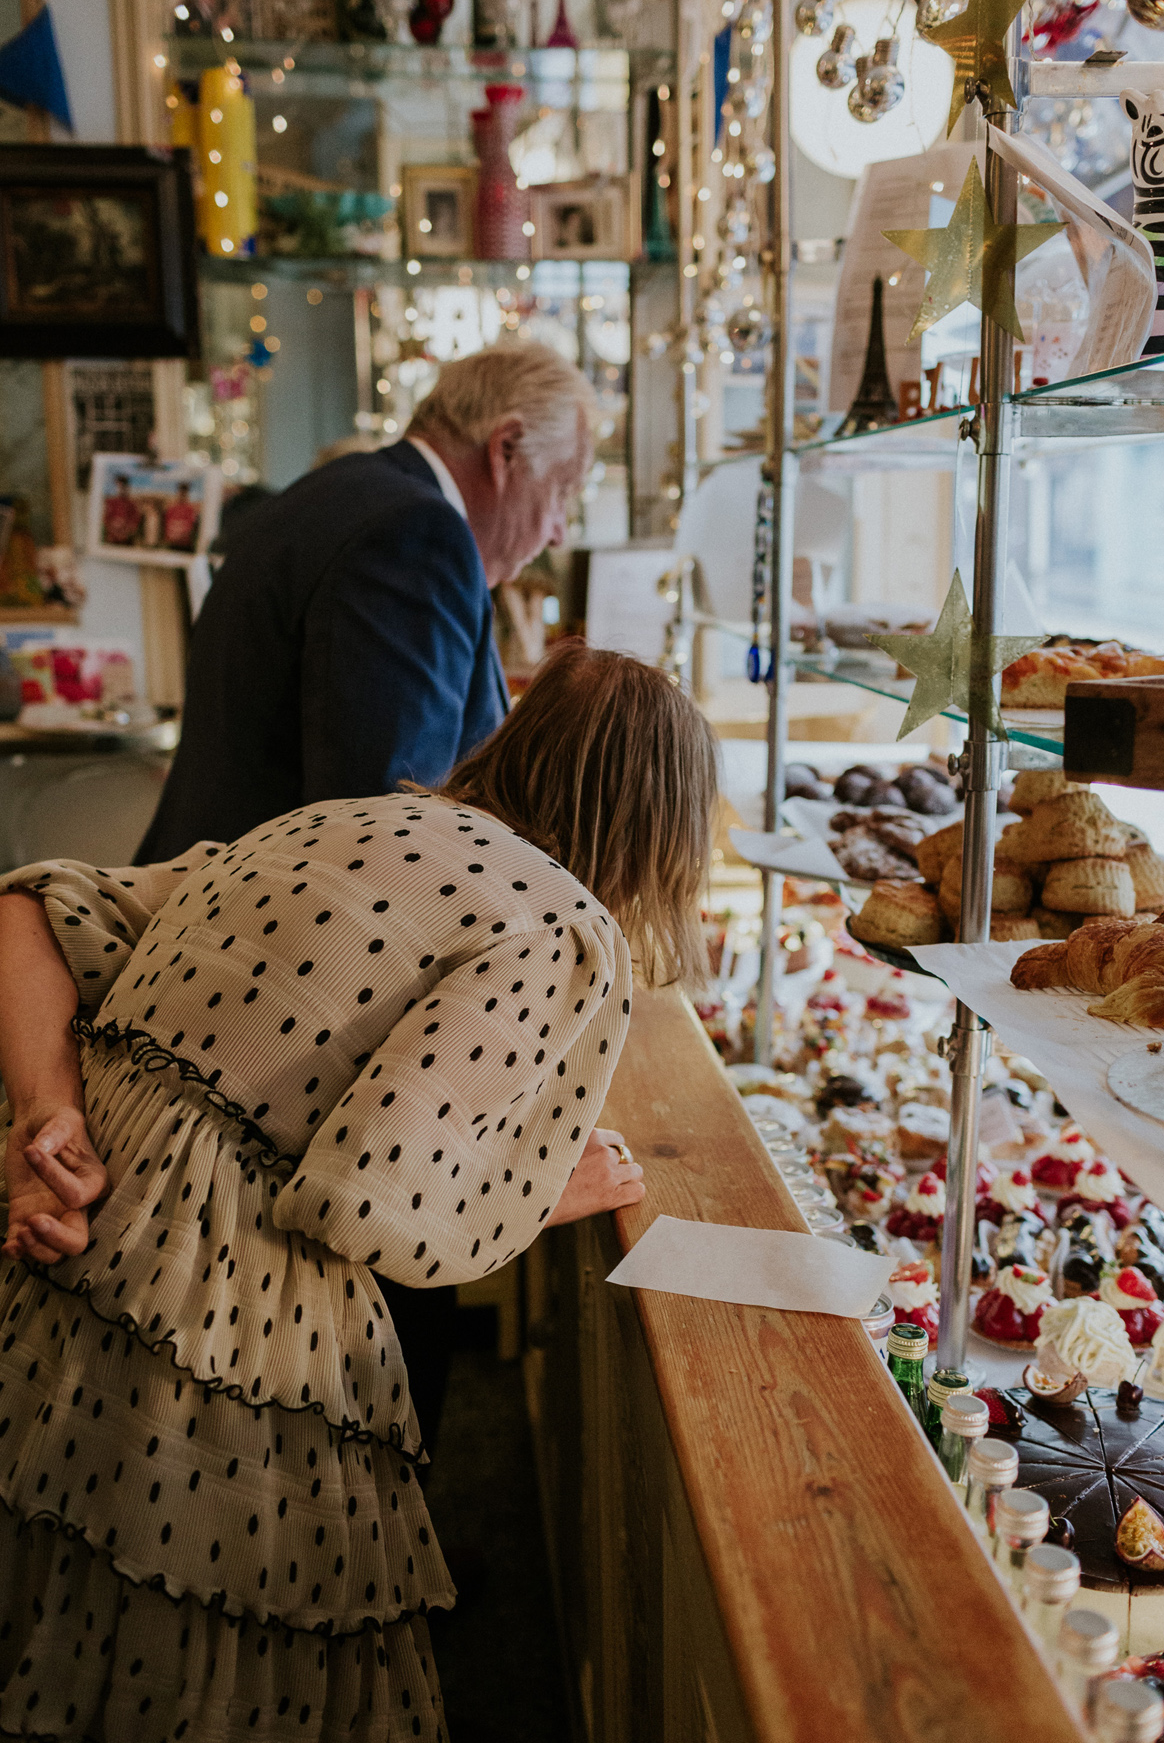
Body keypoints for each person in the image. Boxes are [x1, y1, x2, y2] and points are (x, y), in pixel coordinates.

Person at [0, 641, 718, 1742]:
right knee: (217, 1656)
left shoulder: (340, 820)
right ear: (660, 830)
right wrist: (535, 1193)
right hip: (222, 1302)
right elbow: (365, 1199)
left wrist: (51, 1112)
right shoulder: (564, 926)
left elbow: (31, 909)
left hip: (74, 1228)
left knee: (62, 1608)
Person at [136, 341, 596, 866]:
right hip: (277, 932)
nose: (558, 532)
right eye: (563, 492)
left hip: (213, 901)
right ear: (506, 447)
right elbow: (388, 835)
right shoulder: (417, 537)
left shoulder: (338, 493)